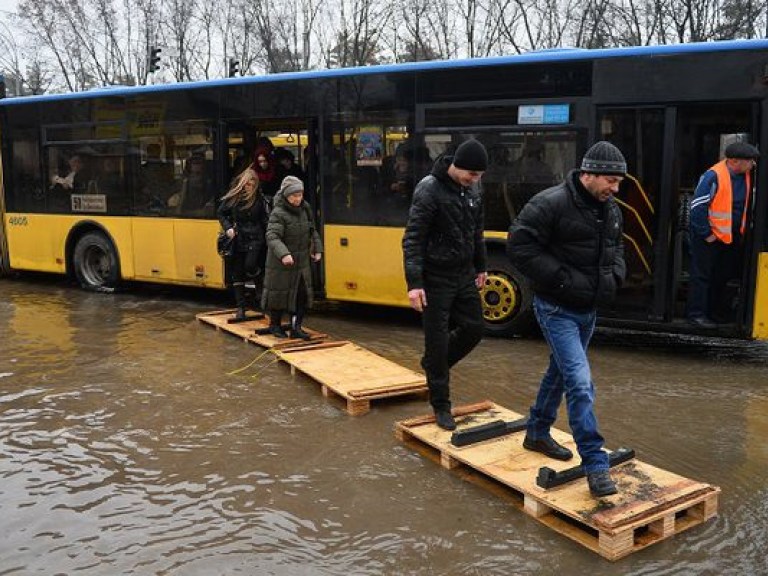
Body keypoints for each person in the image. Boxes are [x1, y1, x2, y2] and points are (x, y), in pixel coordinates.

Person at [506, 141, 627, 498]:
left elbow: (616, 248)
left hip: (588, 309)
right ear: (588, 174)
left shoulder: (612, 209)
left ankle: (537, 432)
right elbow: (520, 246)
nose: (615, 189)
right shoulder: (550, 203)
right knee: (579, 381)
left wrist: (615, 276)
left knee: (560, 371)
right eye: (610, 181)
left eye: (619, 182)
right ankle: (595, 463)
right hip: (556, 307)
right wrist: (561, 279)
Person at [401, 139, 488, 431]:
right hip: (434, 278)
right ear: (456, 166)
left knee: (474, 328)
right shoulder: (429, 189)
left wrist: (482, 266)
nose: (474, 181)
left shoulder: (473, 188)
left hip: (463, 273)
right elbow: (413, 238)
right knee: (436, 341)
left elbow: (477, 231)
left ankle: (433, 366)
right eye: (471, 175)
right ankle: (441, 405)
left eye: (478, 176)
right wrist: (414, 284)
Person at [687, 141, 760, 327]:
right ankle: (696, 315)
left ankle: (714, 313)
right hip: (709, 238)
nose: (753, 164)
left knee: (721, 277)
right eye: (749, 161)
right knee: (702, 277)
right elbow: (697, 208)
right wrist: (707, 234)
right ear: (735, 161)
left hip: (729, 238)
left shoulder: (746, 176)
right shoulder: (713, 176)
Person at [262, 175, 323, 339]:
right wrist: (284, 254)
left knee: (301, 295)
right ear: (286, 195)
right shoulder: (278, 213)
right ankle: (275, 325)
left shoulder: (305, 209)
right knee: (279, 294)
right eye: (294, 195)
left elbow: (312, 230)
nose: (298, 199)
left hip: (301, 262)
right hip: (282, 263)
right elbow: (272, 236)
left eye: (300, 195)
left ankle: (296, 327)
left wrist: (317, 248)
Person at [218, 168, 270, 320]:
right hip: (238, 238)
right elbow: (221, 212)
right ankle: (241, 307)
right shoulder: (234, 198)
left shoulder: (260, 198)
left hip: (256, 238)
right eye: (247, 184)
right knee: (237, 272)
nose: (249, 187)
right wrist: (228, 228)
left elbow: (264, 219)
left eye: (252, 184)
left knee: (250, 265)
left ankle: (259, 290)